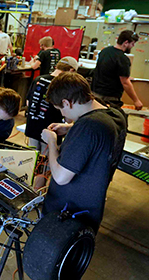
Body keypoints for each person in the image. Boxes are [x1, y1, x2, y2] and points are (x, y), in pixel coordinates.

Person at [41, 72, 127, 232]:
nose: (63, 115)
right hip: (90, 210)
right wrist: (69, 128)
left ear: (67, 102)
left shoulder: (87, 127)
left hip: (66, 215)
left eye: (61, 109)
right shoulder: (115, 115)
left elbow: (61, 177)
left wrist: (52, 141)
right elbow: (100, 131)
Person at [25, 56, 79, 150]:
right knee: (46, 161)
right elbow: (68, 117)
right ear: (71, 70)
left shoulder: (38, 79)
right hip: (51, 131)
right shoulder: (64, 86)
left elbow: (28, 102)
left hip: (32, 127)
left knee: (31, 159)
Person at [92, 30, 142, 110]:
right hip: (109, 98)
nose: (133, 46)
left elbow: (107, 70)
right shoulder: (123, 59)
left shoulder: (105, 51)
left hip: (95, 93)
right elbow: (125, 83)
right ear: (126, 43)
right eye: (132, 43)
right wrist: (136, 101)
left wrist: (126, 76)